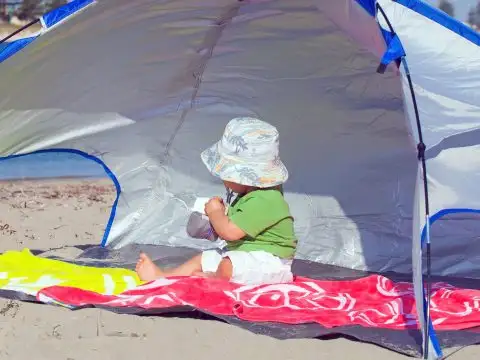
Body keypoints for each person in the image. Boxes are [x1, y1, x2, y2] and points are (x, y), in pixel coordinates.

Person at [135, 117, 297, 285]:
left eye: (226, 175)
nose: (223, 180)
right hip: (246, 258)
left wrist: (215, 213)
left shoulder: (267, 198)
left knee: (229, 264)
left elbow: (230, 233)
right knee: (205, 258)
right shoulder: (250, 196)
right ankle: (163, 277)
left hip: (271, 265)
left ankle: (217, 281)